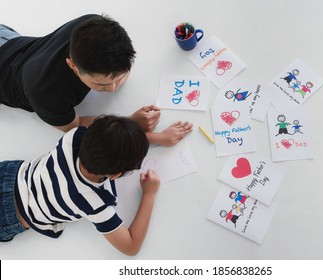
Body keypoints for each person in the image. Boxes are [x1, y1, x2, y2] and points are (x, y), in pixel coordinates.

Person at [0, 115, 187, 256]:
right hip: (10, 216)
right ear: (115, 175)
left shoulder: (74, 136)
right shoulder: (93, 203)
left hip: (9, 174)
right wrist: (149, 195)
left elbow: (107, 139)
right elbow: (130, 247)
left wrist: (158, 138)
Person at [0, 14, 192, 145]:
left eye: (119, 76)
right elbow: (75, 128)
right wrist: (130, 124)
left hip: (10, 40)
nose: (113, 88)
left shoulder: (94, 25)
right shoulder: (46, 93)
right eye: (102, 85)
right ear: (72, 65)